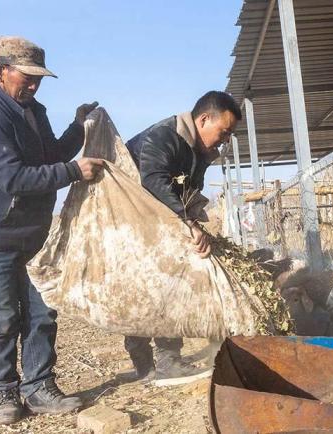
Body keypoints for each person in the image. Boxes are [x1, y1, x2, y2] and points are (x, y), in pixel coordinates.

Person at [0, 36, 104, 425]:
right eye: (27, 77)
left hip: (34, 236)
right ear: (0, 71)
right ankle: (4, 392)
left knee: (42, 314)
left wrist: (77, 128)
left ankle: (39, 387)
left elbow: (50, 157)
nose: (34, 86)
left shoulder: (33, 110)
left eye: (39, 79)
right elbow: (13, 178)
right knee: (3, 320)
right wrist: (75, 171)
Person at [124, 90, 241, 380]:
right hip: (135, 227)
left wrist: (196, 216)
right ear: (203, 119)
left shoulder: (197, 150)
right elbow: (153, 180)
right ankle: (144, 362)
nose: (224, 140)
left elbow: (188, 190)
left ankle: (167, 359)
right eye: (223, 132)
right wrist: (189, 222)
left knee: (169, 287)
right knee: (142, 291)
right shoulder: (164, 136)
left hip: (160, 224)